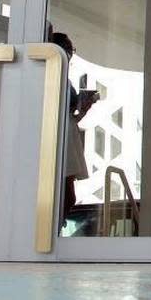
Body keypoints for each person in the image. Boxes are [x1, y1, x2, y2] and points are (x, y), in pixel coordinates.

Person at [49, 31, 98, 228]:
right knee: (65, 193)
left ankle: (56, 226)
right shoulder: (52, 76)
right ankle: (54, 227)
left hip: (67, 134)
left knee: (66, 194)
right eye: (68, 50)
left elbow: (71, 117)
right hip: (60, 136)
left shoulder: (65, 79)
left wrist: (84, 108)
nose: (70, 55)